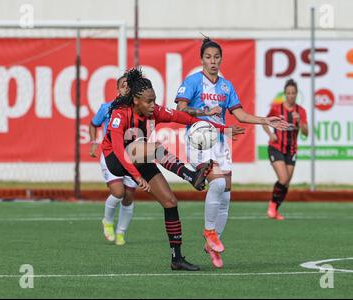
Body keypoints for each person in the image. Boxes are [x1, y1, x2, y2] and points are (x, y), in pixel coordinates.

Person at [102, 68, 244, 271]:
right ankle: (191, 175)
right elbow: (117, 148)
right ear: (135, 100)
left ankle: (176, 258)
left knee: (170, 202)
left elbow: (188, 119)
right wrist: (135, 176)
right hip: (116, 160)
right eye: (148, 101)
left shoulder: (156, 112)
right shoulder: (120, 114)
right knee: (154, 147)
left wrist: (223, 129)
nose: (153, 105)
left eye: (154, 100)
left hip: (141, 156)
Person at [175, 37, 288, 268]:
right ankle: (209, 231)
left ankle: (211, 244)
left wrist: (266, 120)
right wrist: (205, 110)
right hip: (199, 139)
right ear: (202, 60)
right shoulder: (193, 81)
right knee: (216, 185)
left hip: (221, 140)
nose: (213, 61)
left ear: (221, 59)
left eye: (216, 57)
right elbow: (180, 109)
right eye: (208, 57)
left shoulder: (226, 86)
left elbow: (241, 114)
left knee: (225, 197)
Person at [89, 74, 135, 246]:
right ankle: (107, 221)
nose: (127, 88)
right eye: (123, 85)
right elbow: (94, 124)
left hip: (130, 156)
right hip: (111, 155)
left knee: (129, 196)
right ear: (117, 90)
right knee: (118, 192)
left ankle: (121, 232)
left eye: (130, 85)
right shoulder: (107, 107)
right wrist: (94, 143)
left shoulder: (137, 109)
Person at [262, 79, 308, 220]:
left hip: (291, 150)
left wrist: (300, 121)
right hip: (276, 147)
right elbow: (265, 121)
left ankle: (275, 208)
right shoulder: (277, 108)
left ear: (296, 94)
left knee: (287, 183)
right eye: (288, 93)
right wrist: (270, 134)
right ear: (285, 94)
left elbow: (306, 132)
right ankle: (272, 205)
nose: (291, 95)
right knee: (283, 179)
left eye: (293, 93)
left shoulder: (301, 111)